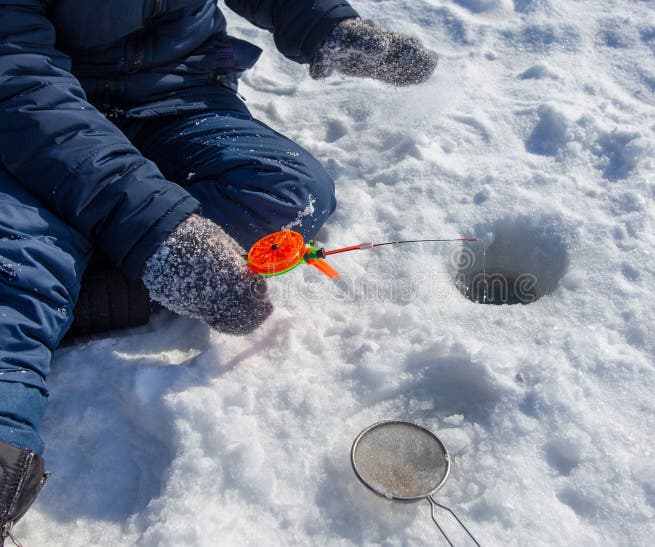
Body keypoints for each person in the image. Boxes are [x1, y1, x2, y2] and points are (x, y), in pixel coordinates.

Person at [0, 1, 437, 542]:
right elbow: (18, 77)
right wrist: (158, 232)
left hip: (178, 95)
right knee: (18, 253)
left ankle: (57, 285)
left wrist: (327, 26)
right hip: (38, 116)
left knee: (288, 196)